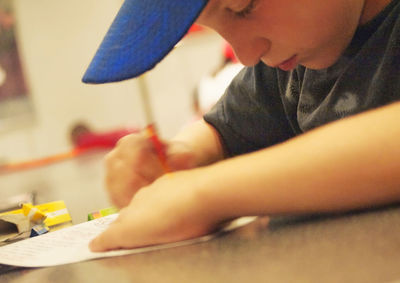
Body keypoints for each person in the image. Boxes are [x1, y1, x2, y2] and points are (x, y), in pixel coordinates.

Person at [82, 0, 400, 251]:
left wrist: (204, 195)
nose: (247, 55)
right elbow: (223, 131)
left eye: (242, 7)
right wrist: (179, 157)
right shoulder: (296, 59)